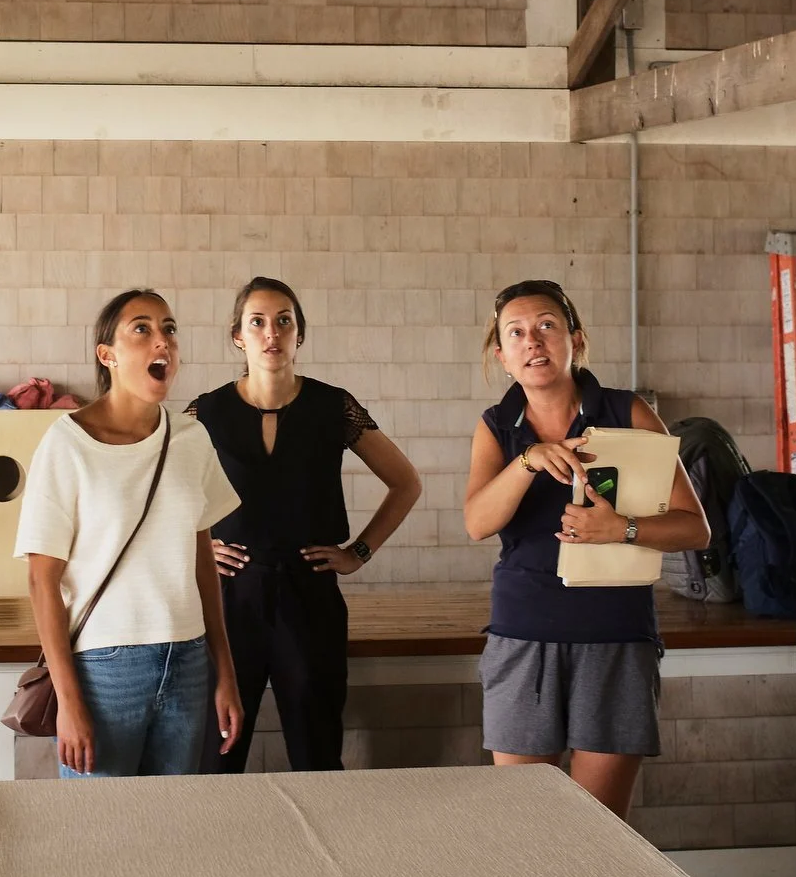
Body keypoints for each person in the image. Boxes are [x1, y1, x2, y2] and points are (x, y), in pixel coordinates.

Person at [462, 280, 712, 819]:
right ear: (502, 356)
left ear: (575, 339)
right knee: (528, 823)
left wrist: (620, 528)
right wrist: (529, 461)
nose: (533, 341)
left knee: (601, 828)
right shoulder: (496, 427)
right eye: (517, 333)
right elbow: (477, 523)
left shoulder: (629, 412)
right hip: (523, 632)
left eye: (547, 326)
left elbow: (696, 529)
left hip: (615, 633)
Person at [192, 276, 423, 772]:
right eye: (258, 322)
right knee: (217, 754)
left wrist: (358, 552)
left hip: (309, 596)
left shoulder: (332, 406)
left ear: (299, 334)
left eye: (284, 321)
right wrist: (199, 548)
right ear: (238, 336)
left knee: (317, 752)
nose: (271, 332)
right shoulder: (206, 412)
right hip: (231, 598)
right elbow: (159, 499)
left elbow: (405, 483)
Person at [15, 289, 246, 777]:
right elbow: (41, 581)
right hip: (104, 668)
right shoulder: (66, 443)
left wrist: (224, 670)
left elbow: (202, 560)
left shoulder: (190, 438)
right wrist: (70, 704)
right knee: (98, 833)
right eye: (141, 329)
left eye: (169, 329)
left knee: (170, 831)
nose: (161, 340)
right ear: (108, 355)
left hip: (187, 660)